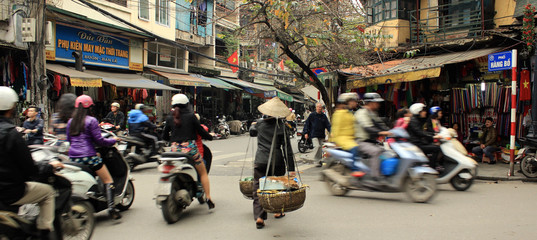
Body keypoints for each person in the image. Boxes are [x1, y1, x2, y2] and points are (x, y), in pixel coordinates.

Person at [0, 86, 62, 239]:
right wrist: (46, 167)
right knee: (48, 192)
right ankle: (43, 232)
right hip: (10, 190)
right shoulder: (12, 133)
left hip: (40, 146)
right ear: (11, 107)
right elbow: (28, 167)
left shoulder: (35, 123)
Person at [66, 95, 122, 220]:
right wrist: (113, 141)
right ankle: (112, 208)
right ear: (90, 107)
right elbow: (99, 140)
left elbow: (69, 140)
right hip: (89, 156)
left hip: (73, 158)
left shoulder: (71, 121)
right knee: (108, 180)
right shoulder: (91, 121)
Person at [249, 97, 295, 229]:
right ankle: (277, 211)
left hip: (261, 161)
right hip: (277, 161)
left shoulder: (259, 124)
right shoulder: (282, 126)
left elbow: (252, 133)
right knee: (277, 187)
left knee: (259, 187)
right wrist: (291, 168)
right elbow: (288, 150)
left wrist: (253, 125)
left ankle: (259, 217)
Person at [162, 94, 214, 209]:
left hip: (174, 150)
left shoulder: (170, 117)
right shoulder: (191, 116)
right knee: (203, 172)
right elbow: (200, 131)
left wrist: (172, 140)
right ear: (186, 104)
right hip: (190, 149)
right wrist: (210, 136)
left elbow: (165, 136)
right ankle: (209, 197)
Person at [354, 93, 392, 180]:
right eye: (376, 102)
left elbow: (380, 124)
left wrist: (390, 131)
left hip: (371, 141)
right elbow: (367, 127)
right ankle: (375, 177)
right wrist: (381, 132)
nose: (378, 105)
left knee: (387, 152)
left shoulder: (372, 113)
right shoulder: (361, 113)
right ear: (370, 103)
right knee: (376, 151)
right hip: (361, 141)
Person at [330, 93, 364, 177]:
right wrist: (333, 141)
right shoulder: (339, 113)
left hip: (351, 137)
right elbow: (336, 128)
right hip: (342, 139)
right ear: (347, 102)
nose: (355, 103)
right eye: (353, 101)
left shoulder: (349, 113)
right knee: (355, 148)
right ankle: (355, 170)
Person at [407, 103, 442, 170]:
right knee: (436, 148)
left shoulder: (417, 120)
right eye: (423, 111)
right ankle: (432, 167)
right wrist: (433, 137)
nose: (425, 112)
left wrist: (434, 135)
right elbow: (419, 132)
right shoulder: (413, 121)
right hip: (416, 144)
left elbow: (423, 132)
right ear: (418, 111)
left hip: (418, 142)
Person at [303, 102, 331, 167]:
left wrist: (331, 131)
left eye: (320, 107)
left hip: (321, 135)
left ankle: (319, 160)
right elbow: (307, 124)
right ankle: (316, 160)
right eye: (318, 107)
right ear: (316, 108)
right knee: (317, 146)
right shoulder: (312, 115)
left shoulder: (323, 116)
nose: (319, 108)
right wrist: (306, 132)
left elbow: (328, 125)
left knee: (321, 148)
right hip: (314, 134)